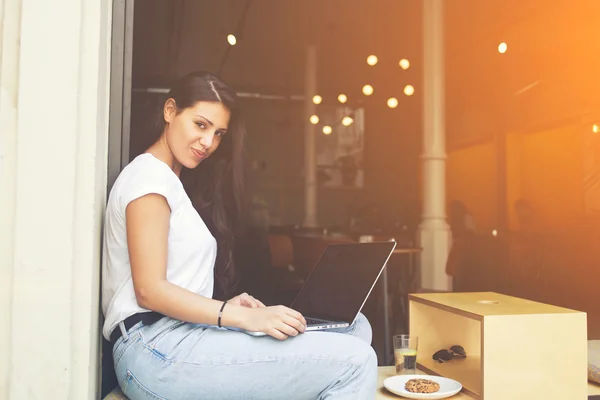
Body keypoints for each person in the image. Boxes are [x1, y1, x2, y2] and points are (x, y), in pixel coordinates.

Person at [101, 71, 377, 400]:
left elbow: (172, 283)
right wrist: (242, 317)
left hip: (183, 336)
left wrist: (225, 307)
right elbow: (149, 291)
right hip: (154, 351)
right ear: (170, 111)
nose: (209, 143)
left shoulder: (171, 184)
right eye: (200, 125)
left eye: (219, 133)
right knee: (356, 362)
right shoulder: (148, 178)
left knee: (355, 327)